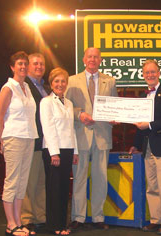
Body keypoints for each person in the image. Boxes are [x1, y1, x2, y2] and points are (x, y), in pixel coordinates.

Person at [65, 47, 118, 231]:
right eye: (90, 56)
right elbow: (65, 108)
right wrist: (79, 115)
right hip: (80, 137)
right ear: (84, 59)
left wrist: (115, 116)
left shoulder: (110, 81)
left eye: (96, 57)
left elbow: (115, 106)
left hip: (102, 136)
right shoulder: (71, 81)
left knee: (100, 178)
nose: (93, 59)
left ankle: (98, 216)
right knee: (79, 178)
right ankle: (78, 217)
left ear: (101, 60)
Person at [129, 60, 161, 235]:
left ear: (159, 73)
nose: (150, 75)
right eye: (146, 73)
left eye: (153, 72)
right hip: (147, 147)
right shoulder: (143, 97)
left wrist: (150, 125)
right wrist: (136, 144)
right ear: (143, 75)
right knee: (152, 186)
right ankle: (156, 220)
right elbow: (139, 125)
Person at [0, 51, 38, 236]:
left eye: (25, 64)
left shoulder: (27, 87)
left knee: (22, 182)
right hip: (13, 137)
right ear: (12, 67)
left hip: (29, 138)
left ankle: (18, 221)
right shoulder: (8, 88)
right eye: (19, 64)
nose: (23, 67)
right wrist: (2, 141)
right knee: (11, 182)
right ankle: (10, 224)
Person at [40, 67, 79, 235]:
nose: (60, 84)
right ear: (51, 83)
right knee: (54, 189)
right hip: (52, 150)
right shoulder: (46, 102)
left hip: (68, 149)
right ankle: (54, 225)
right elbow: (48, 128)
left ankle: (62, 224)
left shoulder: (69, 103)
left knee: (64, 189)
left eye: (63, 81)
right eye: (57, 81)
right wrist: (54, 153)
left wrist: (75, 151)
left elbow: (71, 129)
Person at [21, 53, 50, 234]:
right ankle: (27, 218)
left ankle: (40, 216)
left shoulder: (44, 87)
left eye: (42, 63)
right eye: (35, 63)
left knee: (40, 182)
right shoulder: (23, 86)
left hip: (45, 142)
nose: (39, 66)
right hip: (30, 140)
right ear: (28, 66)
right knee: (29, 182)